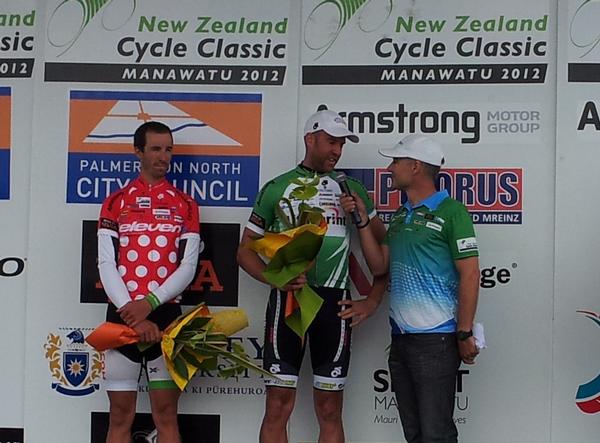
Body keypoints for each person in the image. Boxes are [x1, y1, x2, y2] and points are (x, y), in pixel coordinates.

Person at [237, 106, 387, 443]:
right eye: (331, 142)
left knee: (330, 408)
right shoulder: (277, 188)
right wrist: (274, 278)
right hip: (289, 301)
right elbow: (245, 251)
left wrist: (373, 300)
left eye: (341, 144)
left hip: (334, 302)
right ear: (310, 138)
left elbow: (386, 247)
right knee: (277, 406)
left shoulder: (353, 190)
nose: (337, 150)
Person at [343, 134, 480, 443]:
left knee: (436, 435)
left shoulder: (452, 212)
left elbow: (470, 274)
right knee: (415, 435)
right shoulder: (401, 216)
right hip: (402, 340)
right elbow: (380, 266)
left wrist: (464, 332)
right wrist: (363, 222)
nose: (390, 168)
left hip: (437, 340)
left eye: (395, 161)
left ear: (415, 166)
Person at [97, 121, 202, 443]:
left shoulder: (186, 204)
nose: (163, 156)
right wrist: (132, 310)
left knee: (167, 416)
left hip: (167, 317)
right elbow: (105, 262)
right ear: (138, 151)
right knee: (119, 416)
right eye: (156, 148)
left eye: (168, 149)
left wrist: (150, 304)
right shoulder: (115, 202)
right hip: (122, 316)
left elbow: (188, 265)